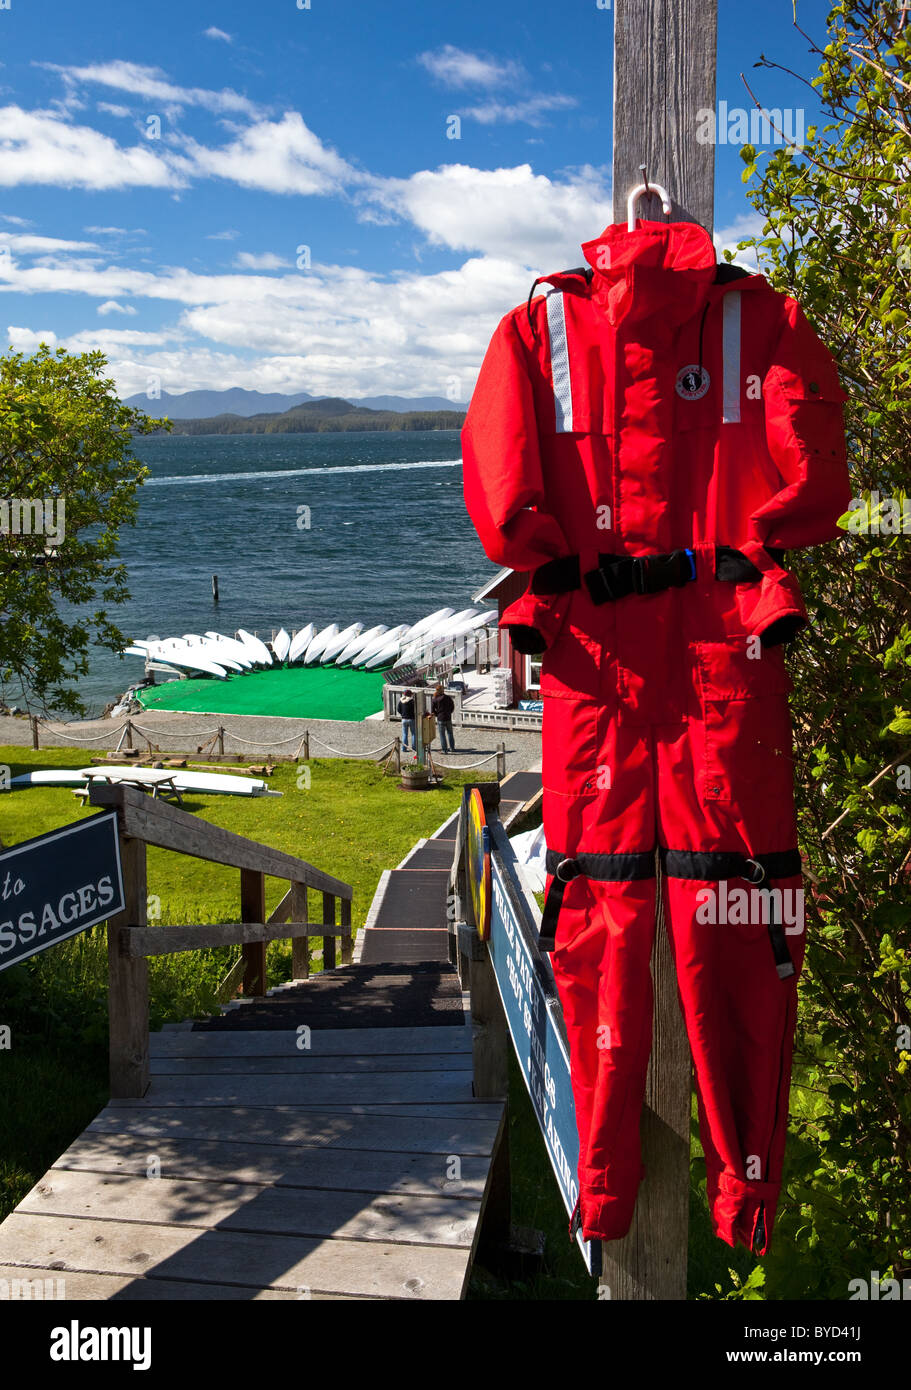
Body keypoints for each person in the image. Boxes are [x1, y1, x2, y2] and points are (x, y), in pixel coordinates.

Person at [431, 682, 456, 751]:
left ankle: (444, 749)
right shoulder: (448, 697)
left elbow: (432, 710)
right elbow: (452, 706)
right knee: (450, 733)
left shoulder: (435, 699)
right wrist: (449, 712)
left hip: (440, 718)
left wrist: (437, 714)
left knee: (442, 735)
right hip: (448, 717)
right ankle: (452, 748)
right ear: (443, 690)